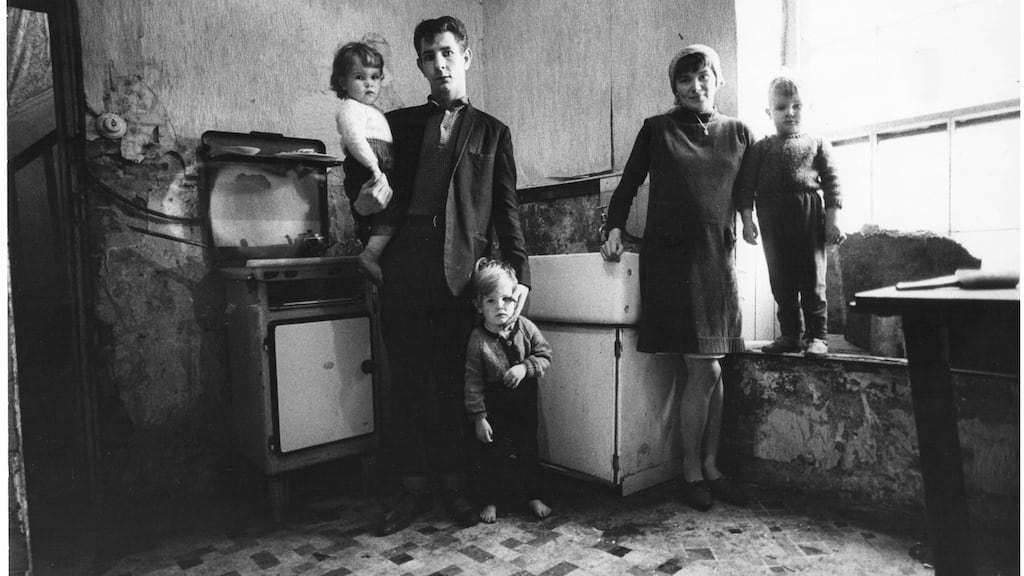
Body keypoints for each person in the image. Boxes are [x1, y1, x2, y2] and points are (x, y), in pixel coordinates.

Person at [369, 15, 531, 536]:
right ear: (419, 64)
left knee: (454, 380)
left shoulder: (493, 132)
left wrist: (520, 273)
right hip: (404, 263)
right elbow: (370, 190)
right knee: (407, 379)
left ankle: (458, 486)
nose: (438, 64)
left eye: (446, 52)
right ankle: (412, 488)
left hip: (461, 271)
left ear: (465, 56)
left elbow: (506, 209)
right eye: (427, 56)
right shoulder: (397, 125)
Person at [600, 44, 753, 512]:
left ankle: (710, 466)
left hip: (718, 261)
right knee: (704, 367)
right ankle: (693, 470)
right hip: (673, 263)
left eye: (703, 76)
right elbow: (628, 184)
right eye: (685, 79)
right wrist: (613, 228)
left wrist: (750, 221)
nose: (695, 86)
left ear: (718, 79)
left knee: (713, 366)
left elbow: (744, 193)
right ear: (675, 88)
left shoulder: (740, 133)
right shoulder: (657, 129)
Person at [736, 73, 845, 357]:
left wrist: (833, 222)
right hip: (772, 218)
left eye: (797, 106)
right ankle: (790, 335)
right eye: (781, 107)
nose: (790, 112)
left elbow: (833, 183)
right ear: (769, 112)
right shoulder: (761, 148)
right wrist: (747, 220)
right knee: (780, 280)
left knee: (812, 278)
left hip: (808, 214)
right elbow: (746, 186)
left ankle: (817, 336)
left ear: (807, 107)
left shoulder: (817, 143)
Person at [464, 258, 552, 524]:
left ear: (515, 300)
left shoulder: (525, 328)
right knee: (492, 454)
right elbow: (473, 381)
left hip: (524, 403)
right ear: (479, 305)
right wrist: (479, 418)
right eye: (491, 301)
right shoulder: (478, 339)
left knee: (528, 449)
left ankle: (532, 495)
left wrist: (525, 367)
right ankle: (491, 499)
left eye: (506, 299)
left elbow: (545, 355)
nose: (500, 306)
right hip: (494, 406)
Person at [329, 41, 394, 284]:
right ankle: (369, 255)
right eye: (360, 77)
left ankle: (372, 253)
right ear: (343, 82)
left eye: (375, 77)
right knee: (384, 211)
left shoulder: (373, 111)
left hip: (380, 165)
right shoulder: (350, 107)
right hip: (365, 166)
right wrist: (374, 167)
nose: (369, 83)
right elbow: (354, 139)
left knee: (391, 212)